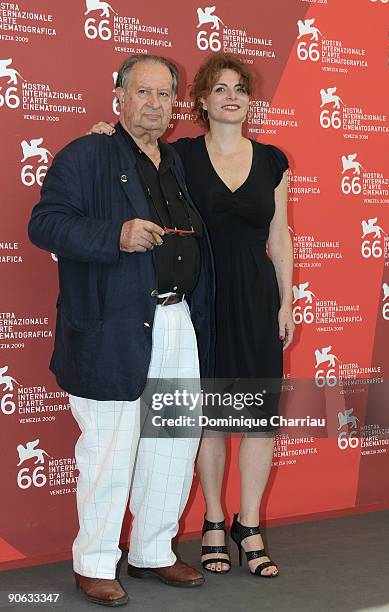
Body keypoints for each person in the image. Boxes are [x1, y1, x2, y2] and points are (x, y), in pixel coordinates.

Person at [90, 52, 294, 579]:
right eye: (219, 87)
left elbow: (281, 236)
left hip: (254, 297)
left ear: (250, 100)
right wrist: (101, 136)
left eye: (240, 88)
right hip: (198, 298)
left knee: (256, 415)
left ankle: (249, 527)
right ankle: (212, 521)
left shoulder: (274, 160)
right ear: (201, 101)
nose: (231, 95)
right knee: (202, 415)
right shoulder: (178, 155)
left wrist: (287, 299)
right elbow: (129, 154)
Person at [28, 54, 215, 607]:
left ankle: (153, 550)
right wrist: (116, 234)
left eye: (164, 95)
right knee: (110, 448)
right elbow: (44, 223)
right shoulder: (86, 154)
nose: (154, 105)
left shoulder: (175, 162)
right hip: (111, 326)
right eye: (143, 93)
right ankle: (94, 561)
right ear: (119, 96)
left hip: (177, 320)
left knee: (173, 440)